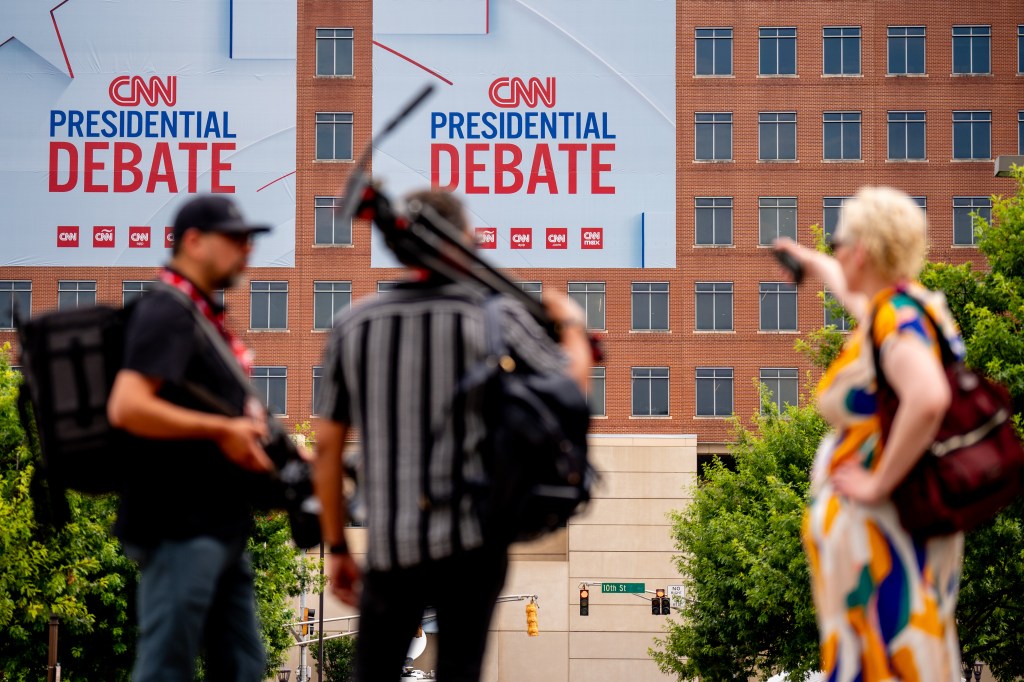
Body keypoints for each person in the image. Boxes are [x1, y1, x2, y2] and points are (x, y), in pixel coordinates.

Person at [314, 188, 591, 682]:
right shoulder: (491, 318)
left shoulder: (354, 324)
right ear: (461, 240)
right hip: (472, 546)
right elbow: (570, 389)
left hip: (391, 547)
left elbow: (328, 448)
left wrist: (337, 546)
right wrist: (570, 322)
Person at [775, 187, 965, 682]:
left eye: (839, 242)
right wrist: (809, 260)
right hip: (886, 538)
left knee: (888, 664)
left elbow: (928, 397)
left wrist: (878, 482)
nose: (836, 251)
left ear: (861, 249)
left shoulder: (892, 318)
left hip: (883, 541)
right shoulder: (902, 307)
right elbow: (848, 288)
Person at [107, 194, 274, 681]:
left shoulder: (204, 317)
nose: (247, 251)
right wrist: (224, 430)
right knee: (166, 668)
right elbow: (128, 404)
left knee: (244, 666)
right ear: (195, 242)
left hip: (220, 526)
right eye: (236, 240)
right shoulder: (168, 311)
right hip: (179, 526)